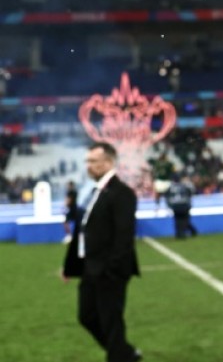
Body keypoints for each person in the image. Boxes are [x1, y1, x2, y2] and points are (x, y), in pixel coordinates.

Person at [62, 142, 142, 362]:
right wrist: (71, 266)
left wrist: (112, 269)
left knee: (111, 321)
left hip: (109, 270)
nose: (89, 166)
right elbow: (83, 232)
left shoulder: (122, 193)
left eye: (93, 161)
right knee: (86, 316)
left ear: (108, 162)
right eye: (88, 161)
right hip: (90, 267)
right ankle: (124, 353)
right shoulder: (93, 191)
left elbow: (124, 237)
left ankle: (119, 356)